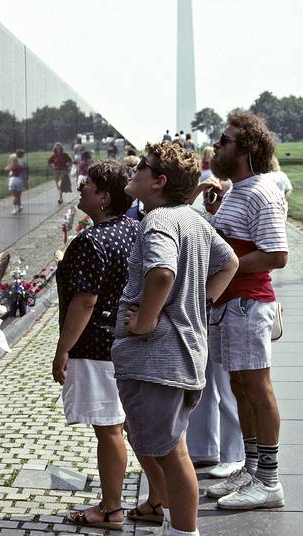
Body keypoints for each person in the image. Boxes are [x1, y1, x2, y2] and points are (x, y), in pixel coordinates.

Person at [112, 143, 238, 536]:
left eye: (143, 167)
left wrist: (146, 322)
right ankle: (174, 524)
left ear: (159, 181)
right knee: (171, 448)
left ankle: (183, 530)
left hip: (158, 360)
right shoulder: (194, 219)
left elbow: (162, 272)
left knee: (171, 453)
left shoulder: (160, 220)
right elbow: (229, 262)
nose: (134, 171)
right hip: (182, 354)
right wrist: (200, 300)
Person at [188, 111, 288, 511]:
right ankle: (251, 467)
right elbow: (238, 242)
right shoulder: (240, 190)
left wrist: (223, 265)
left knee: (257, 388)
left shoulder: (260, 192)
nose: (216, 146)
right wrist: (216, 214)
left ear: (245, 150)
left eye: (224, 141)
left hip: (248, 304)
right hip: (232, 306)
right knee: (241, 389)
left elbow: (277, 255)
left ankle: (269, 480)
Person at [52, 161, 138, 530]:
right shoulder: (136, 229)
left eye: (86, 185)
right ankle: (159, 498)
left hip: (98, 346)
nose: (79, 189)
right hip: (128, 341)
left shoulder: (92, 240)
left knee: (109, 428)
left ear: (104, 197)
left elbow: (85, 300)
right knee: (132, 426)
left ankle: (111, 509)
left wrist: (62, 348)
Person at [184, 178, 245, 480]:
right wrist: (199, 196)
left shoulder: (234, 217)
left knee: (226, 383)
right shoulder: (204, 216)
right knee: (203, 380)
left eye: (221, 196)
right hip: (205, 304)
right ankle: (204, 446)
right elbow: (178, 214)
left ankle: (234, 452)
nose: (215, 200)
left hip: (226, 302)